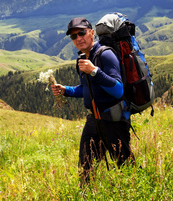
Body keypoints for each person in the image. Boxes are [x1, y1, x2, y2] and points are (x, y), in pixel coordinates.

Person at [50, 17, 134, 186]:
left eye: (82, 33)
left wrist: (94, 71)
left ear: (92, 33)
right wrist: (66, 90)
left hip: (113, 120)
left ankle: (135, 197)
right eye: (74, 36)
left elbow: (118, 90)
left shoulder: (106, 55)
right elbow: (86, 89)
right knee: (85, 167)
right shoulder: (82, 59)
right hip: (93, 120)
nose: (78, 38)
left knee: (125, 166)